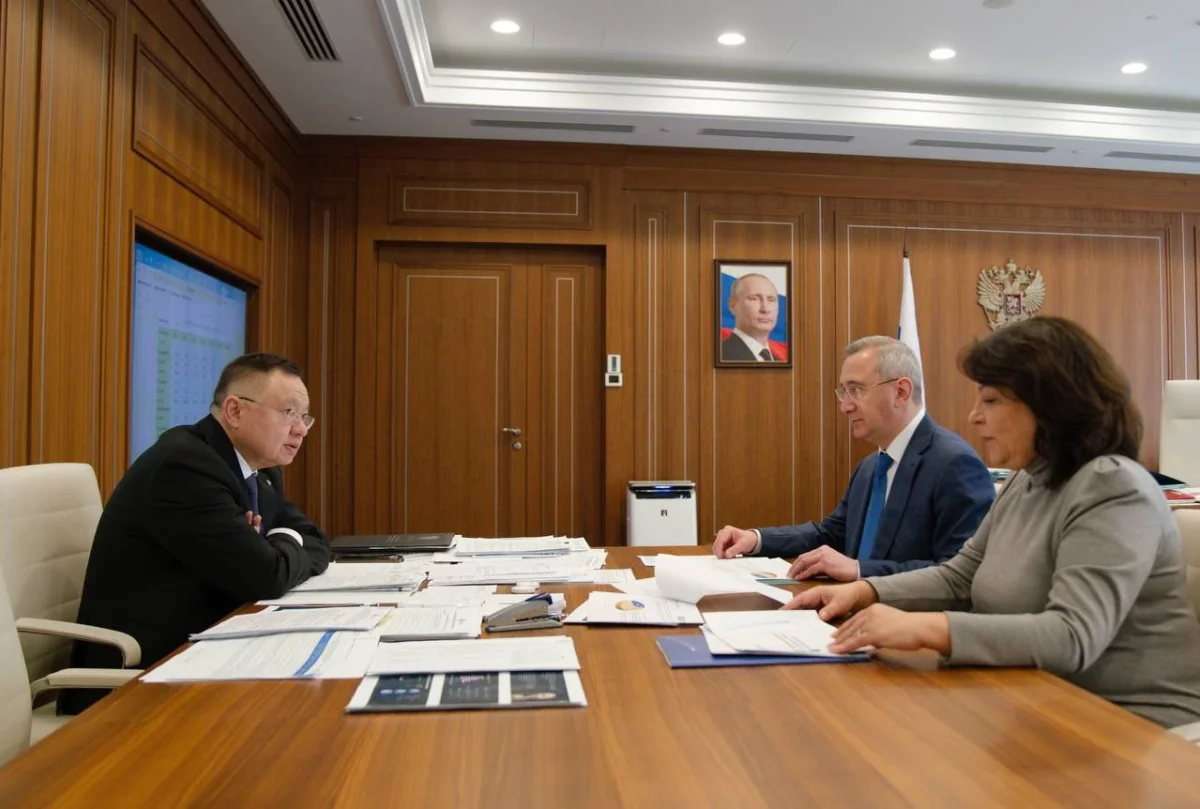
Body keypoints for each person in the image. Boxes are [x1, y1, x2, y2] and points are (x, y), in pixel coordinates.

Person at [788, 317, 1200, 729]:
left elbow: (1072, 635)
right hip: (1032, 697)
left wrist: (927, 628)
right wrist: (864, 592)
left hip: (1133, 724)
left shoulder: (1113, 488)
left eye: (990, 400)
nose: (974, 416)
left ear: (1050, 404)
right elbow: (959, 577)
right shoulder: (1026, 478)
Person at [61, 353, 330, 714]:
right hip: (137, 683)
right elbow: (267, 576)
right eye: (289, 413)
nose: (301, 429)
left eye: (304, 416)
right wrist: (276, 550)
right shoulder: (185, 467)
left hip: (206, 655)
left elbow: (314, 540)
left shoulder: (261, 469)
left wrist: (276, 545)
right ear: (234, 411)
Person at [714, 336, 993, 580]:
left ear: (901, 391)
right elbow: (831, 535)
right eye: (843, 392)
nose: (845, 406)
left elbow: (959, 573)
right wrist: (757, 539)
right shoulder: (871, 466)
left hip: (904, 618)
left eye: (856, 390)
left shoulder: (954, 464)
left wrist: (860, 570)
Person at [721, 273, 782, 362]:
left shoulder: (781, 363)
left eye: (771, 300)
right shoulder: (719, 355)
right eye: (754, 299)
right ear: (733, 305)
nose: (765, 309)